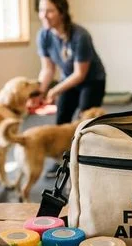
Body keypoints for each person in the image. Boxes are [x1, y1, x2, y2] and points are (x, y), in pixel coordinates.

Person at [35, 0, 106, 176]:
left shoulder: (80, 36)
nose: (44, 15)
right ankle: (61, 160)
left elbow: (80, 74)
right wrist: (40, 92)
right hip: (68, 80)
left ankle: (86, 162)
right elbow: (48, 69)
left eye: (49, 11)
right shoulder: (44, 36)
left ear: (61, 12)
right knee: (62, 122)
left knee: (84, 123)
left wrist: (54, 91)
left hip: (92, 81)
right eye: (41, 10)